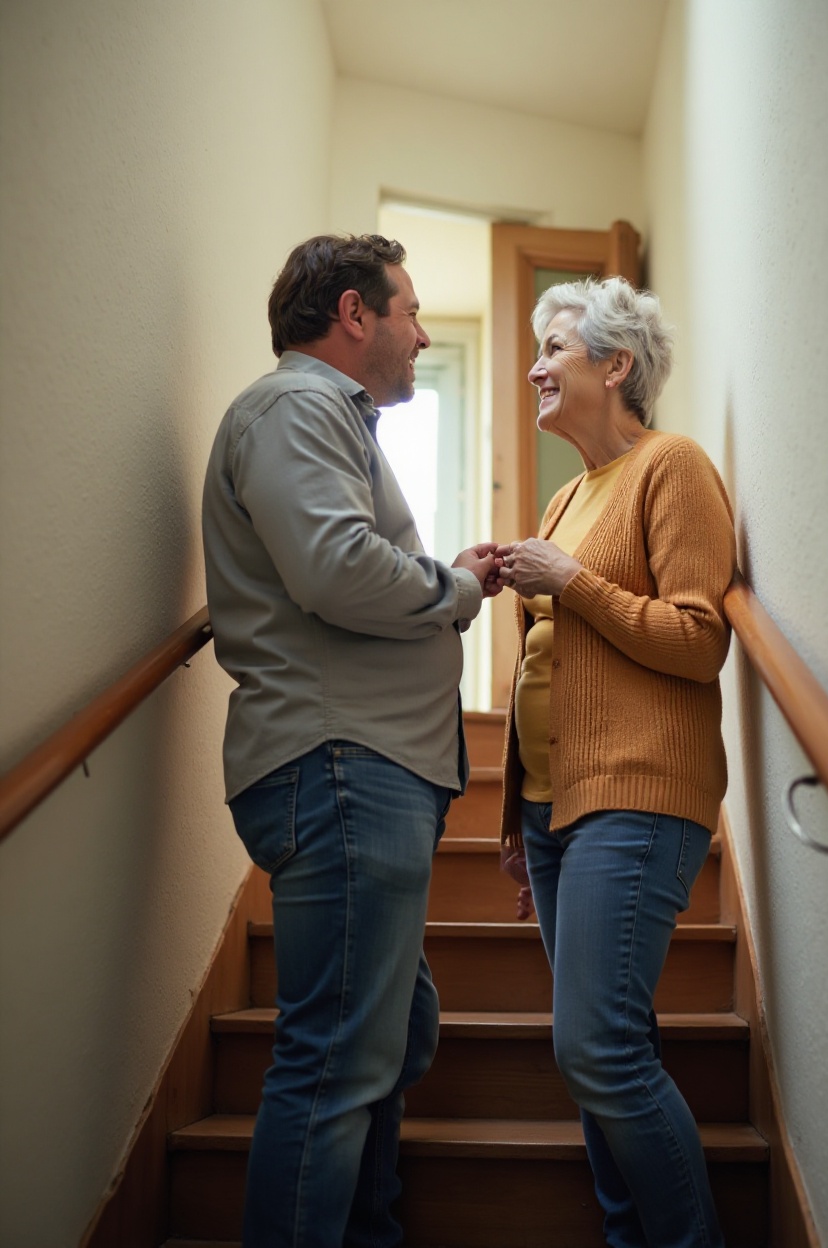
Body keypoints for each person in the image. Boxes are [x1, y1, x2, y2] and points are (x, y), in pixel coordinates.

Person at [202, 234, 501, 1248]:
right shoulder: (298, 406)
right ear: (352, 311)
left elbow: (340, 562)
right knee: (333, 1061)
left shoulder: (325, 419)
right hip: (341, 767)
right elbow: (334, 569)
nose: (421, 334)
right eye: (409, 310)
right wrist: (456, 590)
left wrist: (435, 577)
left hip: (362, 770)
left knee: (390, 1035)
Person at [496, 275, 736, 1248]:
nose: (534, 366)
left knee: (596, 1049)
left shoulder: (672, 467)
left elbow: (697, 639)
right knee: (604, 1051)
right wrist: (520, 817)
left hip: (638, 798)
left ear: (616, 364)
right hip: (561, 813)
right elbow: (548, 671)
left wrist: (572, 583)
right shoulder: (563, 498)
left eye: (554, 348)